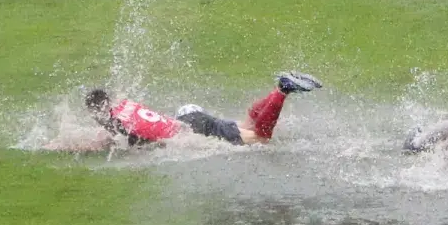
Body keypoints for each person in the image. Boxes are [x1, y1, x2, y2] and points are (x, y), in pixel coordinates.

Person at [42, 72, 321, 153]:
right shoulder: (124, 105)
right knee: (246, 122)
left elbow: (102, 141)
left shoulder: (117, 125)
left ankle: (283, 89)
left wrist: (60, 145)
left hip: (192, 129)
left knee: (260, 138)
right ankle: (276, 90)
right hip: (187, 118)